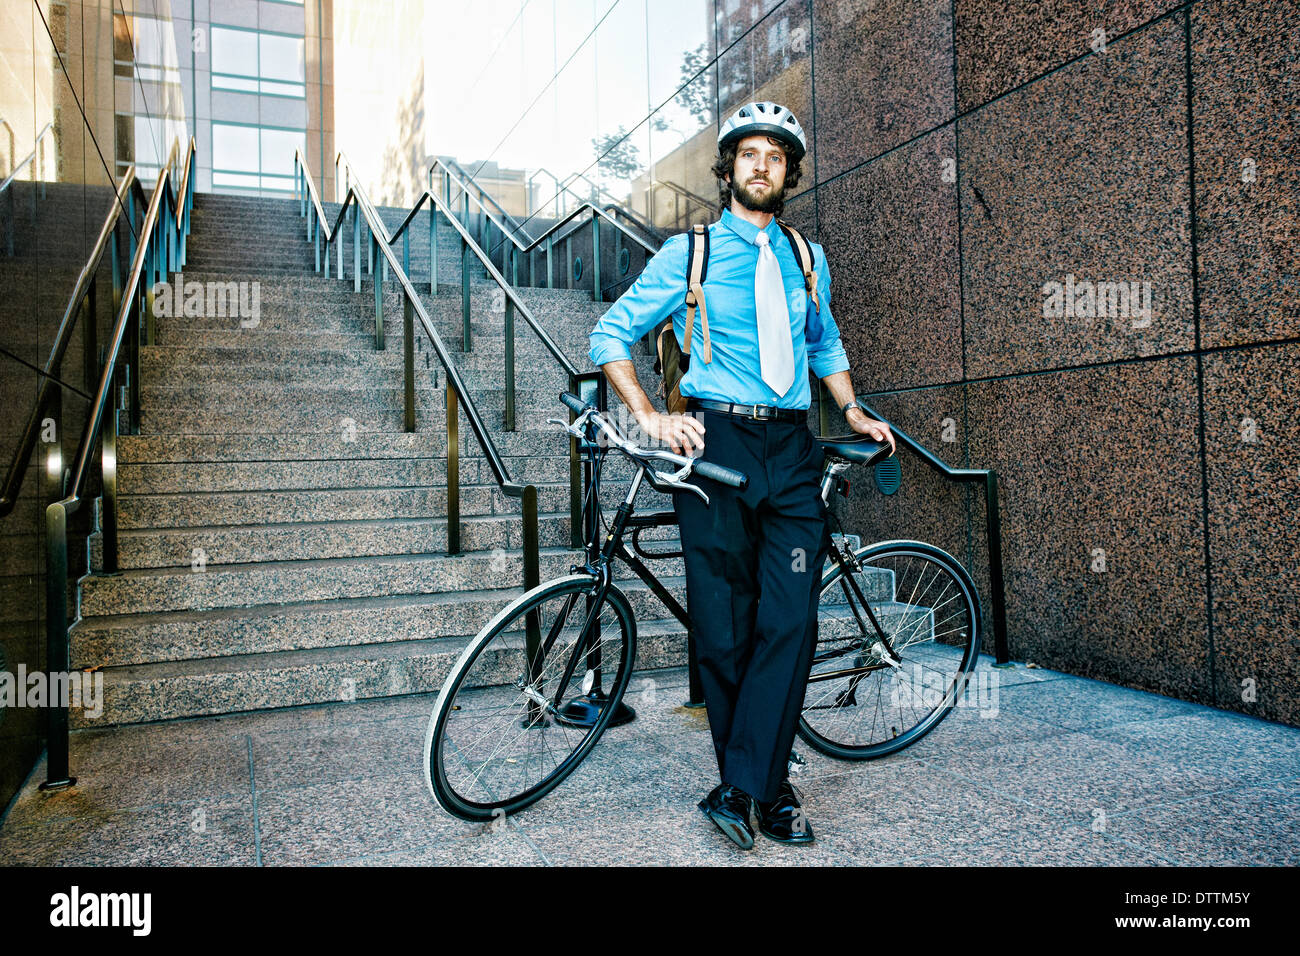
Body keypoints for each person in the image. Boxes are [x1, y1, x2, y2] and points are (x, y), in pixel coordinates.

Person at [587, 101, 895, 850]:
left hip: (792, 451)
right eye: (749, 153)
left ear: (789, 172)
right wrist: (651, 418)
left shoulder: (806, 256)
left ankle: (739, 788)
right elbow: (612, 333)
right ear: (729, 170)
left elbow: (824, 340)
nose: (762, 165)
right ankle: (773, 791)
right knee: (725, 633)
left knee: (789, 618)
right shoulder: (687, 253)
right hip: (715, 445)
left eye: (776, 155)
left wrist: (849, 408)